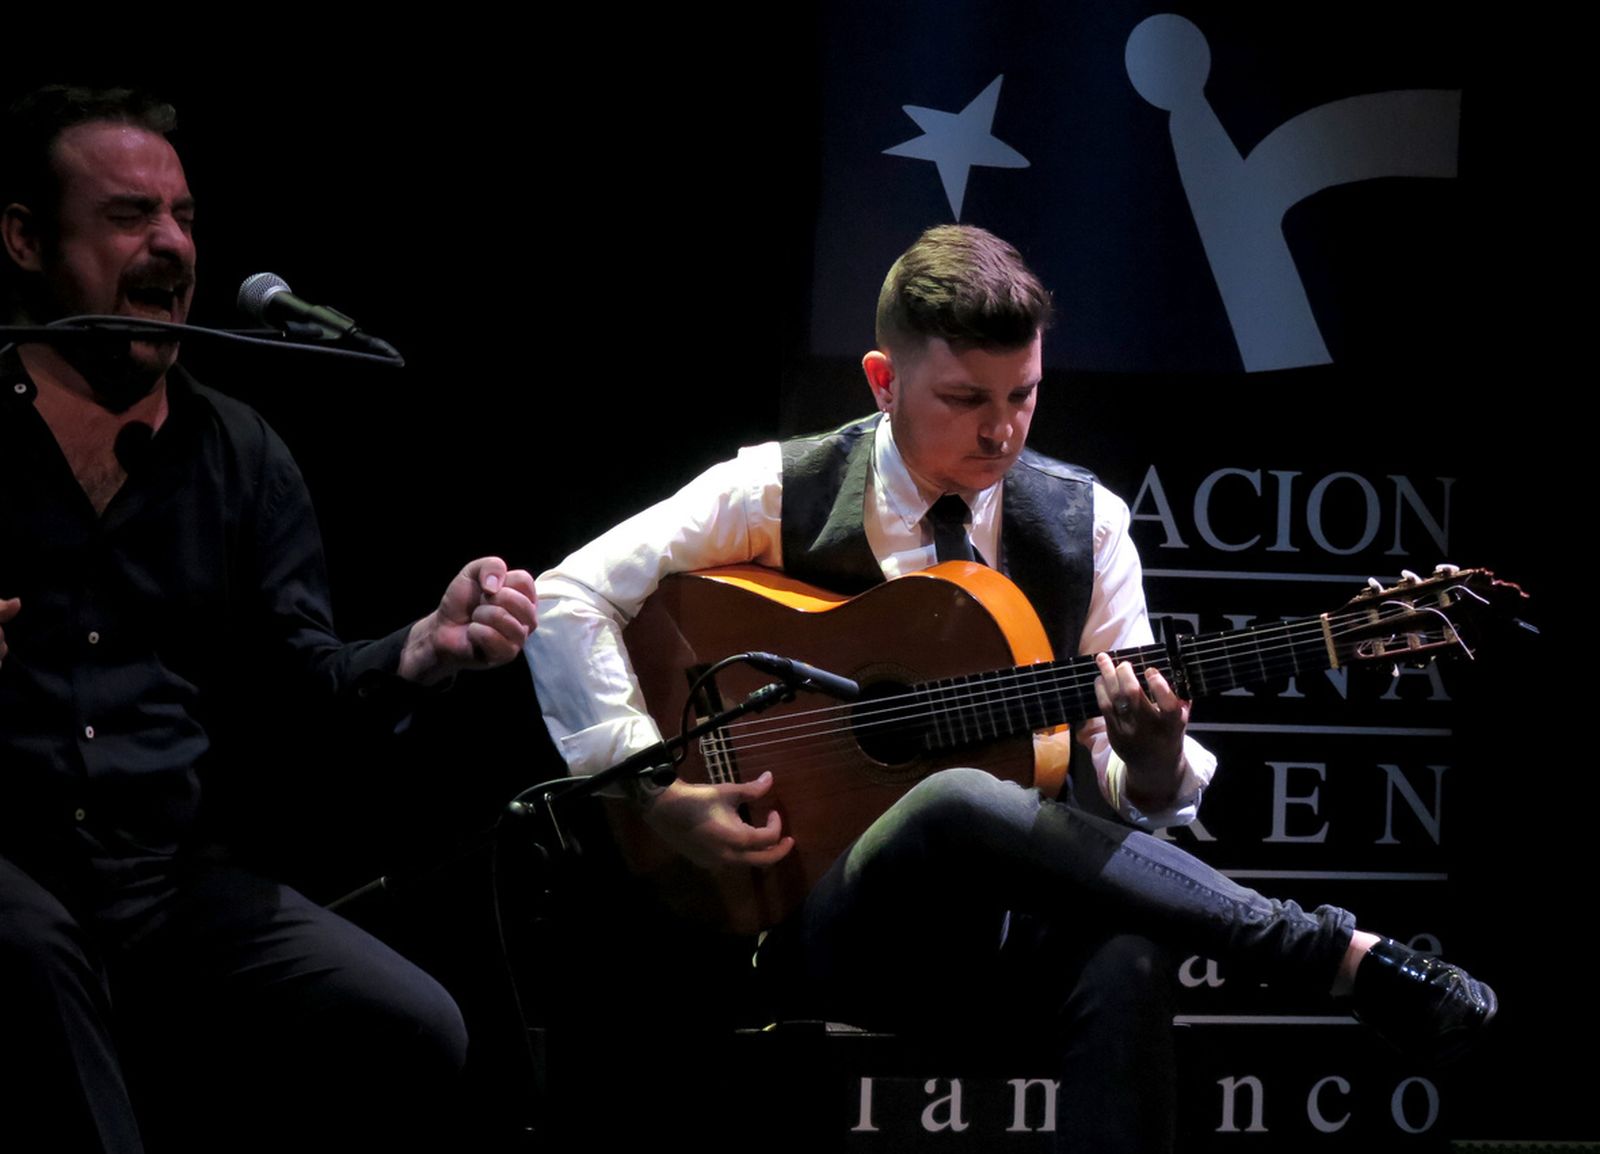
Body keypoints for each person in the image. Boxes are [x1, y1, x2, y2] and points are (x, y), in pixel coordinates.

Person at [527, 224, 1494, 1150]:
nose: (1001, 430)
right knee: (954, 798)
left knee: (1127, 956)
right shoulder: (778, 490)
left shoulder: (1085, 526)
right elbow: (565, 596)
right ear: (883, 380)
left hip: (991, 945)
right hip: (809, 922)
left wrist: (1153, 758)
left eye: (1023, 395)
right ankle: (1323, 951)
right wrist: (652, 789)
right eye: (964, 399)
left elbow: (1130, 786)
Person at [0, 86, 537, 1152]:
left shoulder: (240, 453)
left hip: (164, 881)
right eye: (127, 216)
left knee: (416, 1025)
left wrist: (420, 650)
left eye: (182, 216)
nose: (169, 244)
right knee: (31, 955)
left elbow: (304, 690)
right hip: (10, 857)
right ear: (26, 239)